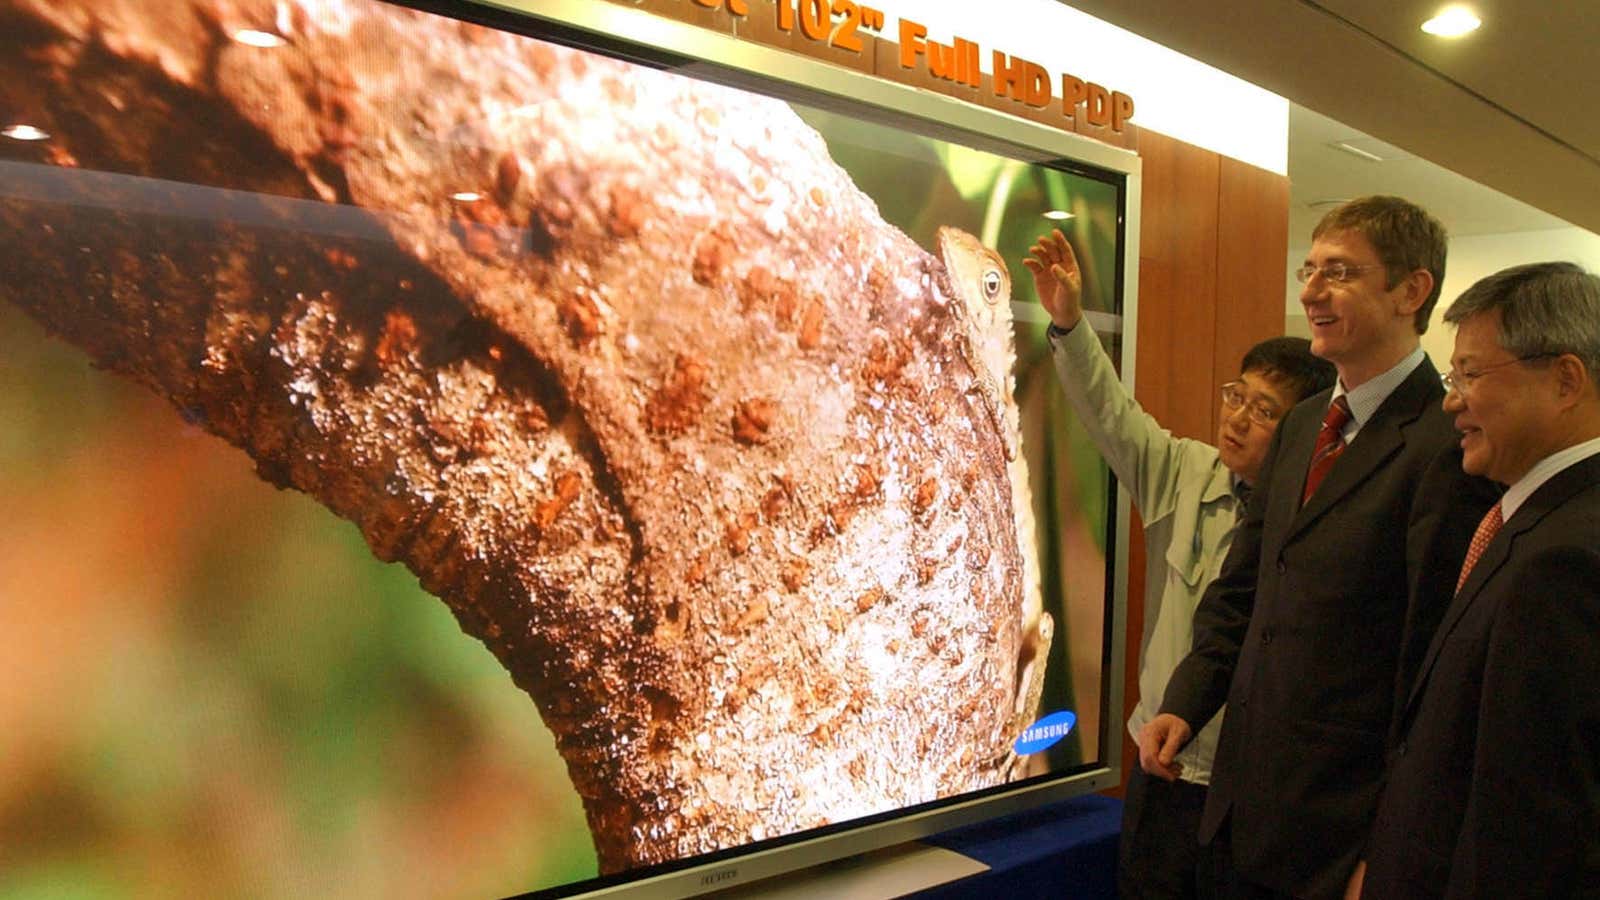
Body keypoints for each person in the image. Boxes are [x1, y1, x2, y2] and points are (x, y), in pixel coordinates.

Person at [1136, 195, 1499, 900]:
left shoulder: (1446, 443)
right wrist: (1186, 700)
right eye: (1308, 269)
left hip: (1338, 839)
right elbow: (1244, 589)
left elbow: (1430, 673)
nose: (1309, 290)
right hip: (1238, 813)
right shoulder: (1304, 425)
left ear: (1410, 291)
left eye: (1338, 272)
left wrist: (1387, 849)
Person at [1025, 230, 1335, 899]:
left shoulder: (1319, 517)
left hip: (1245, 790)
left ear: (1307, 429)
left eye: (1264, 411)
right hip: (1161, 771)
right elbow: (1112, 416)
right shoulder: (1187, 472)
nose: (1238, 419)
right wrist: (1070, 323)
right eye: (1236, 395)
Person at [1358, 262, 1600, 899]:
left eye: (1470, 373)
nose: (1450, 399)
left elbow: (1530, 818)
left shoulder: (1566, 556)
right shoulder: (1532, 520)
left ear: (1565, 380)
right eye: (1450, 374)